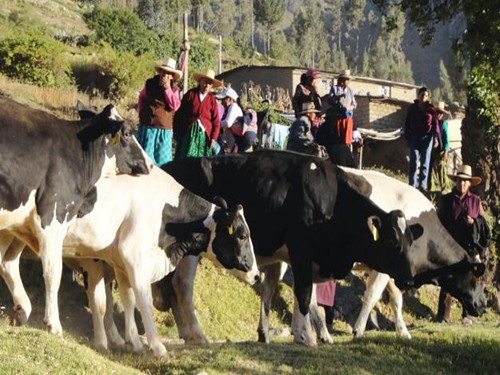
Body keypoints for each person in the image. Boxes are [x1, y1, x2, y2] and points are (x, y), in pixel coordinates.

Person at [436, 164, 489, 324]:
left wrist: (474, 222)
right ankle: (443, 316)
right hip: (449, 248)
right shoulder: (446, 200)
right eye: (460, 180)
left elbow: (483, 223)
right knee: (447, 282)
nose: (462, 184)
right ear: (456, 181)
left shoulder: (475, 201)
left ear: (470, 183)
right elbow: (438, 222)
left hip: (469, 249)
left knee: (469, 283)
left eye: (466, 181)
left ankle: (468, 315)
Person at [136, 57, 182, 166]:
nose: (164, 75)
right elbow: (142, 97)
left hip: (163, 129)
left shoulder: (174, 89)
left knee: (163, 162)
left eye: (168, 73)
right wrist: (141, 112)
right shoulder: (150, 83)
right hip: (147, 127)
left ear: (171, 76)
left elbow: (175, 106)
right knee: (145, 159)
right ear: (160, 72)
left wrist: (167, 89)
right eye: (163, 72)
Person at [173, 68, 222, 158]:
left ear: (212, 86)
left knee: (201, 161)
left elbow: (216, 122)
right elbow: (179, 114)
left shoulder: (212, 99)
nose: (206, 85)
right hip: (188, 133)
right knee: (186, 157)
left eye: (209, 83)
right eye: (205, 81)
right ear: (200, 81)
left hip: (204, 135)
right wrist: (177, 131)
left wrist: (214, 138)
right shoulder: (191, 94)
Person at [404, 86, 439, 191]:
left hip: (427, 138)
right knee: (414, 160)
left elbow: (435, 124)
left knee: (425, 162)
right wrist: (407, 137)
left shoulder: (431, 109)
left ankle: (422, 186)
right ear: (418, 96)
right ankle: (412, 185)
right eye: (422, 94)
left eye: (426, 95)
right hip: (415, 137)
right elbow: (407, 122)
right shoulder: (412, 108)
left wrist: (436, 138)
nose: (424, 96)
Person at [328, 69, 357, 146]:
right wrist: (338, 97)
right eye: (346, 79)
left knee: (346, 141)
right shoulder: (334, 88)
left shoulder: (350, 91)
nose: (347, 81)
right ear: (341, 79)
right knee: (337, 139)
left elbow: (354, 104)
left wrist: (347, 108)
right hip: (337, 118)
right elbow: (330, 101)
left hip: (347, 118)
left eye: (348, 79)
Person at [429, 101, 452, 192]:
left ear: (442, 115)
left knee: (441, 167)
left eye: (440, 113)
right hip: (431, 150)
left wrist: (446, 151)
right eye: (436, 112)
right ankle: (431, 187)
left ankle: (445, 188)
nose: (438, 115)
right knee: (430, 168)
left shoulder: (443, 125)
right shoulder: (430, 123)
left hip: (440, 150)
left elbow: (446, 140)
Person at [292, 68, 322, 134]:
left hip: (314, 117)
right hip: (304, 115)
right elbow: (295, 101)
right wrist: (298, 114)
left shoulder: (314, 88)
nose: (315, 81)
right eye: (314, 79)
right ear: (309, 79)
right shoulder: (300, 87)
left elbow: (317, 101)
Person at [216, 87, 243, 152]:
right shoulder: (230, 108)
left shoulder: (233, 107)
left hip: (237, 144)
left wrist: (215, 124)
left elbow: (227, 123)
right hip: (235, 144)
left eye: (223, 100)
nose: (221, 102)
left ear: (230, 99)